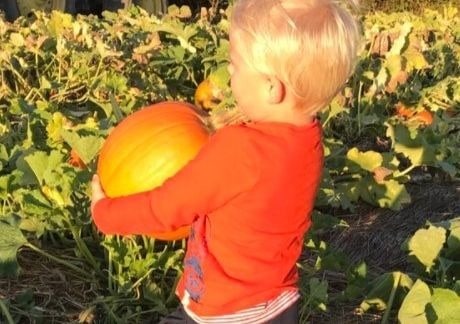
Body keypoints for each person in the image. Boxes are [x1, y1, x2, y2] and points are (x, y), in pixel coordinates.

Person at [91, 0, 361, 322]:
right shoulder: (308, 137)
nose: (229, 71)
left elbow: (167, 206)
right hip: (275, 301)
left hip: (225, 309)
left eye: (235, 64)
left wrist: (107, 213)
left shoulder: (239, 149)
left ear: (271, 88)